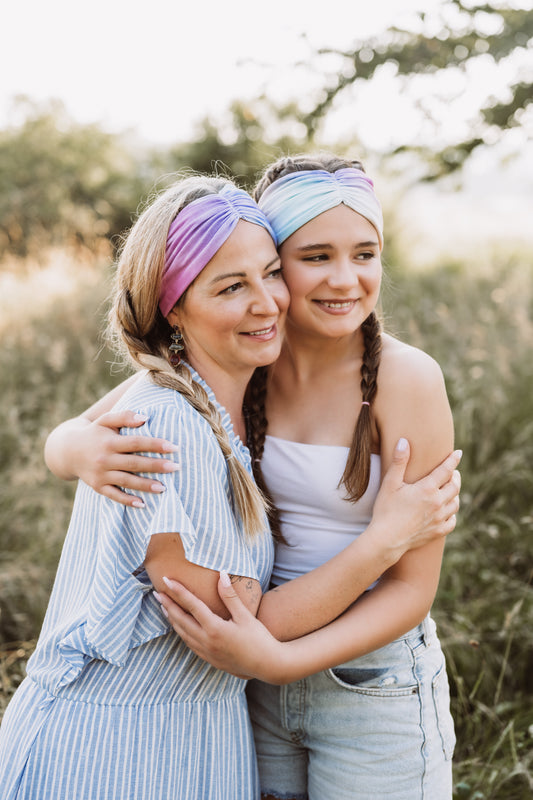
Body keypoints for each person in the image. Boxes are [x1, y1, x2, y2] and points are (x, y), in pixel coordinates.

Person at [41, 160, 462, 800]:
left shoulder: (408, 380)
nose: (344, 279)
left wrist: (279, 658)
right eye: (314, 256)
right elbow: (80, 428)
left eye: (366, 253)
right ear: (276, 259)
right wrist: (74, 450)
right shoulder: (249, 348)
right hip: (253, 687)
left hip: (368, 682)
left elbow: (412, 590)